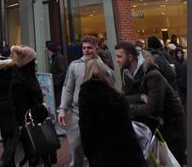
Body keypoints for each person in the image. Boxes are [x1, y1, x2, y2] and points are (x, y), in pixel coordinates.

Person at [77, 58, 145, 166]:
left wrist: (90, 153)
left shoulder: (87, 92)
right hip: (128, 150)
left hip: (105, 153)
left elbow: (86, 128)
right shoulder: (116, 92)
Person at [57, 35, 113, 167]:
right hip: (78, 113)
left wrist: (100, 63)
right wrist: (62, 108)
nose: (86, 50)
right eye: (84, 48)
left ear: (96, 48)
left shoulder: (102, 66)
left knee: (98, 147)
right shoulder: (74, 65)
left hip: (98, 114)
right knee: (76, 147)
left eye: (89, 48)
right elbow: (68, 88)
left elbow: (112, 82)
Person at [126, 48, 187, 165]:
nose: (117, 60)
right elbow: (126, 95)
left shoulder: (152, 75)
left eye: (119, 57)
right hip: (164, 126)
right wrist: (139, 97)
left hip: (171, 126)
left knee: (173, 160)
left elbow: (152, 108)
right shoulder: (130, 75)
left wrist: (128, 108)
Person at [9, 45, 54, 166]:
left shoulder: (28, 78)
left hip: (34, 127)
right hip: (29, 131)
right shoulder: (19, 83)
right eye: (34, 60)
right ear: (27, 62)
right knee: (32, 158)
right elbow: (21, 111)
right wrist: (42, 108)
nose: (36, 62)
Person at [47, 44, 67, 111]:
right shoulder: (55, 57)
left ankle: (60, 108)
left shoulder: (58, 57)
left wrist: (57, 80)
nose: (48, 52)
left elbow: (62, 71)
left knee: (59, 95)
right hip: (55, 81)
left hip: (58, 82)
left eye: (49, 51)